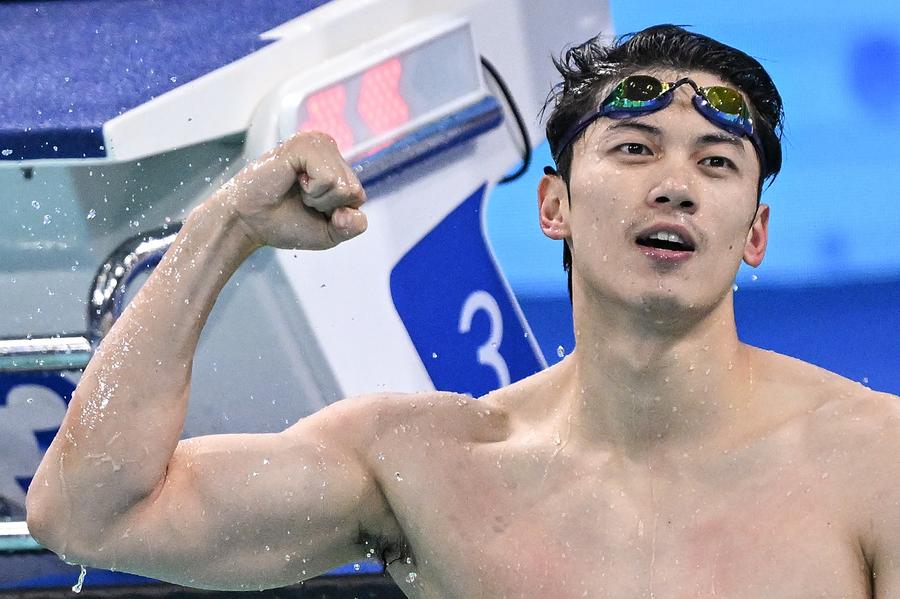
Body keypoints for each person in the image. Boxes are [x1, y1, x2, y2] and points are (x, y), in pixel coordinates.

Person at [26, 24, 900, 597]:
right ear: (553, 206)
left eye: (716, 163)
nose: (675, 185)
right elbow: (90, 514)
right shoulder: (429, 469)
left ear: (756, 233)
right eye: (635, 149)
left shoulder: (874, 463)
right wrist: (223, 228)